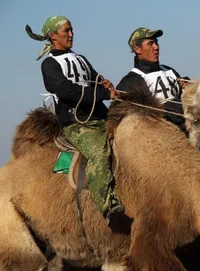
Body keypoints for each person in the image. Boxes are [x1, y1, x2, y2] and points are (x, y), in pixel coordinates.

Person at [25, 15, 124, 223]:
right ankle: (107, 205)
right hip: (78, 123)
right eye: (66, 31)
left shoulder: (81, 58)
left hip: (100, 117)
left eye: (71, 30)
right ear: (53, 36)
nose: (71, 35)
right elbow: (66, 90)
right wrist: (104, 95)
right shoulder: (49, 65)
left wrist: (105, 84)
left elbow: (96, 80)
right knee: (99, 152)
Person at [116, 27, 189, 133]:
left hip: (188, 128)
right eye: (150, 44)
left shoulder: (169, 70)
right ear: (138, 49)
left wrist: (189, 88)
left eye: (156, 43)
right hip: (163, 135)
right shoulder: (130, 82)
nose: (156, 47)